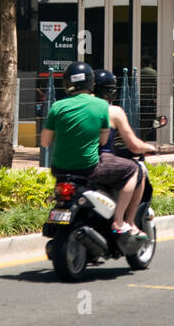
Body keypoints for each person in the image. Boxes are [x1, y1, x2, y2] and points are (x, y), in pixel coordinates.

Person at [41, 62, 143, 237]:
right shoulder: (101, 106)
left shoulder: (57, 107)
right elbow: (103, 140)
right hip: (88, 168)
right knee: (133, 169)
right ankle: (119, 221)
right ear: (90, 83)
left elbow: (44, 142)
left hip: (59, 170)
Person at [93, 69, 155, 229]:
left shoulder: (74, 108)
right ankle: (124, 221)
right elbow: (134, 145)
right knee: (136, 170)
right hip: (100, 161)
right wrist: (149, 147)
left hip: (72, 163)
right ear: (111, 92)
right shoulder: (113, 111)